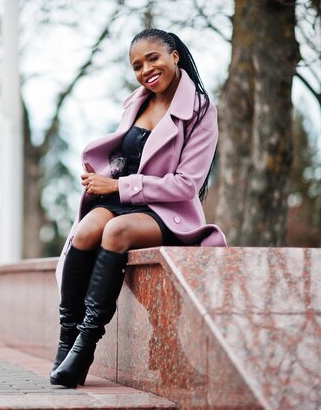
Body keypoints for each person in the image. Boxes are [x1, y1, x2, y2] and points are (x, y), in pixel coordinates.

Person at [49, 28, 228, 388]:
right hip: (122, 197)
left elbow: (186, 184)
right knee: (84, 231)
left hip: (167, 210)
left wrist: (119, 186)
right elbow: (128, 157)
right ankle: (66, 339)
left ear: (174, 55)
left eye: (153, 58)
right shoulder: (137, 100)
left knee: (116, 231)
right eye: (136, 65)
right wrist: (104, 177)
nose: (146, 69)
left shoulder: (201, 110)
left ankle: (84, 347)